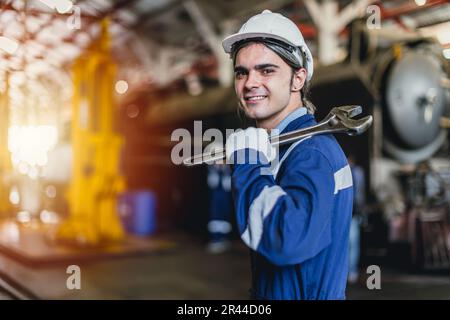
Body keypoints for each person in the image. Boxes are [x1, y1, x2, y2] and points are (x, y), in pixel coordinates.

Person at [222, 10, 353, 300]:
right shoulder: (281, 147)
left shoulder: (311, 152)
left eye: (266, 70)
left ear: (298, 78)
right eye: (242, 72)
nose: (250, 82)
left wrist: (247, 162)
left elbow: (287, 239)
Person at [206, 162, 233, 254]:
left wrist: (226, 171)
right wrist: (216, 169)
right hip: (216, 198)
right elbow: (212, 183)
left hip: (225, 198)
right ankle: (215, 240)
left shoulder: (228, 171)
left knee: (225, 219)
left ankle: (224, 239)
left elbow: (228, 185)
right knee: (215, 219)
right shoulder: (212, 170)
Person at [347, 155, 366, 284]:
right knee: (353, 244)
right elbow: (361, 193)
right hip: (354, 212)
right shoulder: (358, 172)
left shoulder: (355, 172)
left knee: (351, 243)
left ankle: (351, 271)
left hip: (352, 212)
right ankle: (351, 272)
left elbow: (360, 194)